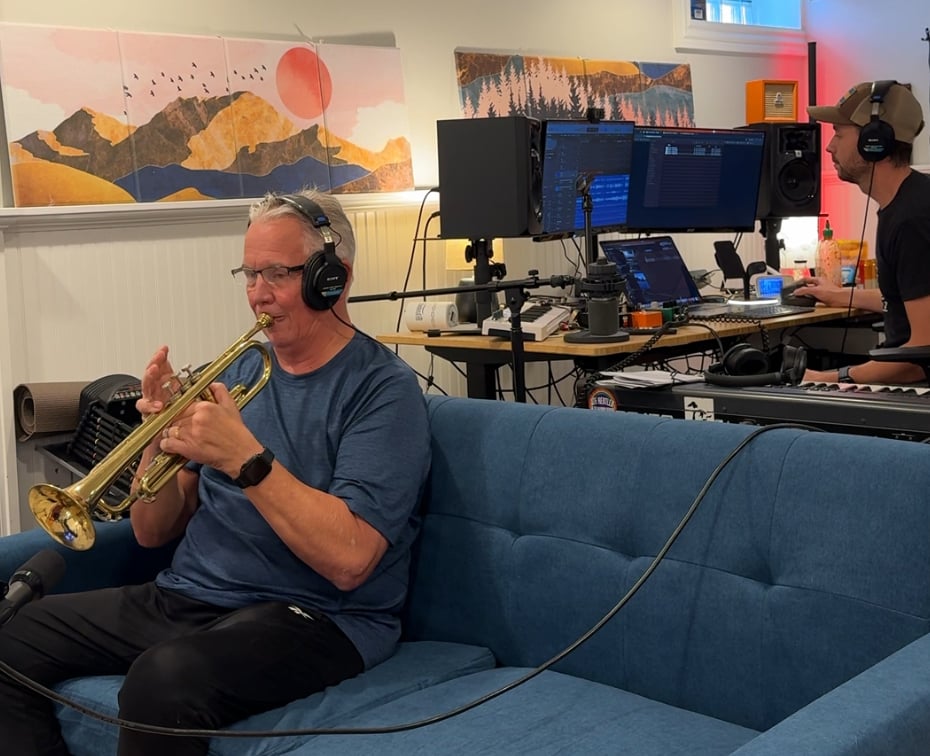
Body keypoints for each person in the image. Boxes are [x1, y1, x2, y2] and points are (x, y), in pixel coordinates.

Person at [0, 189, 432, 755]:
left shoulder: (384, 391)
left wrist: (245, 459)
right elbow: (154, 531)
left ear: (334, 277)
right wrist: (156, 437)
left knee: (163, 680)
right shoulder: (240, 371)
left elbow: (351, 560)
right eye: (249, 274)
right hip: (190, 597)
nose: (257, 294)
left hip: (316, 618)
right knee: (11, 638)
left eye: (276, 273)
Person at [798, 80, 930, 385]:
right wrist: (840, 295)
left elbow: (920, 359)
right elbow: (903, 297)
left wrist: (826, 378)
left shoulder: (913, 220)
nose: (830, 146)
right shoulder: (908, 201)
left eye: (839, 134)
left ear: (874, 142)